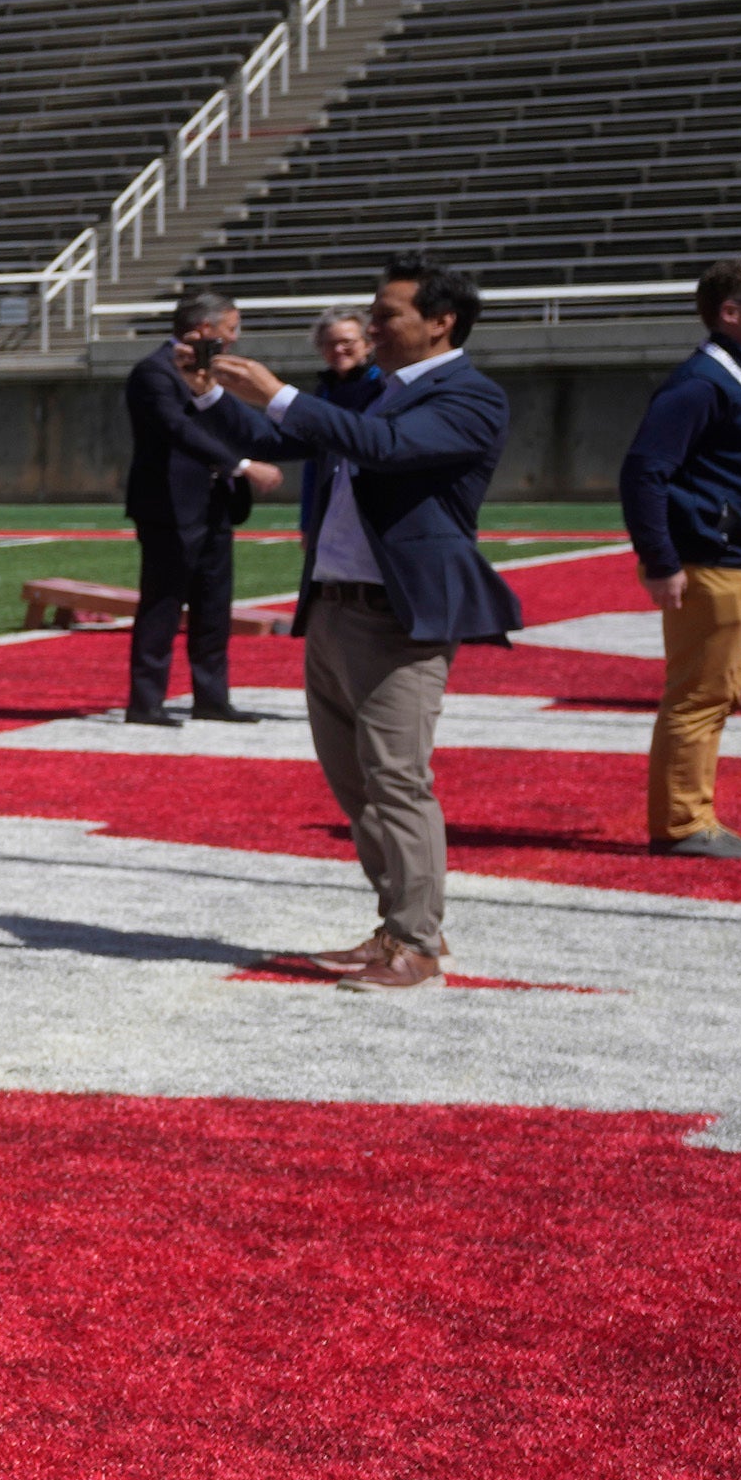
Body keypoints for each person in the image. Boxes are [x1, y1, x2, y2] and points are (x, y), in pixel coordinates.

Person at [202, 254, 525, 990]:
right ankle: (397, 929)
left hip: (397, 619)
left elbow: (387, 450)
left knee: (398, 783)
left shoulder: (472, 395)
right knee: (357, 789)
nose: (372, 326)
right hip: (337, 608)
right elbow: (291, 439)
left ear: (441, 322)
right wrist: (207, 391)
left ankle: (418, 945)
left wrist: (278, 393)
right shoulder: (382, 393)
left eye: (387, 315)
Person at [617, 256, 741, 860]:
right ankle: (682, 823)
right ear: (732, 313)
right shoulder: (703, 382)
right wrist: (660, 559)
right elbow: (644, 470)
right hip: (714, 560)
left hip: (739, 557)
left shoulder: (738, 376)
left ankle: (691, 816)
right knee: (702, 693)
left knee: (719, 691)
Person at [118, 292, 278, 728]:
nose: (234, 339)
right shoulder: (153, 372)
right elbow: (176, 428)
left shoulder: (214, 375)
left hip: (215, 502)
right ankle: (146, 701)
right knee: (163, 603)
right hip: (169, 505)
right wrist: (243, 465)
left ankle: (211, 696)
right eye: (230, 328)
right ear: (204, 330)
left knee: (214, 603)